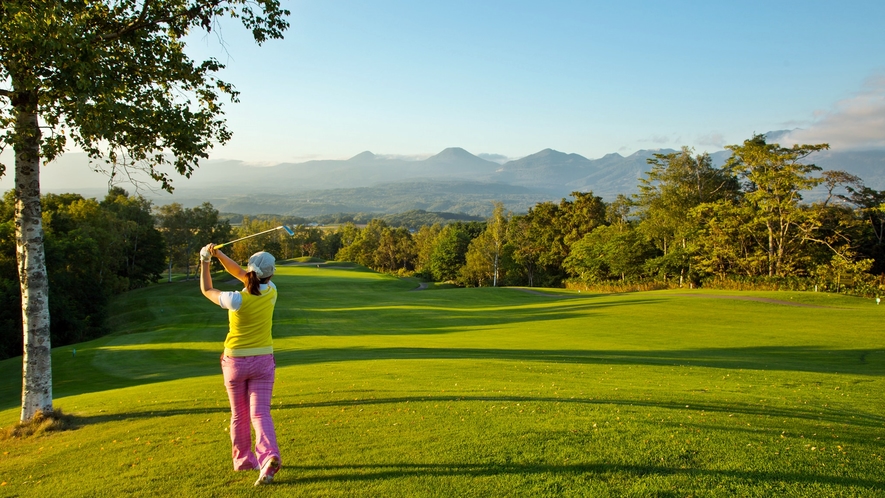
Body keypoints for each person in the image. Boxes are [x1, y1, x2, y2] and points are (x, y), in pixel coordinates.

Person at [199, 244, 282, 486]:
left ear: (250, 270)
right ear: (271, 274)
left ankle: (245, 460)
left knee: (239, 414)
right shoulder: (273, 291)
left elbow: (207, 289)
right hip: (264, 361)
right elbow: (240, 273)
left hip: (235, 362)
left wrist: (205, 260)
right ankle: (268, 457)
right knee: (260, 413)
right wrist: (217, 254)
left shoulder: (234, 299)